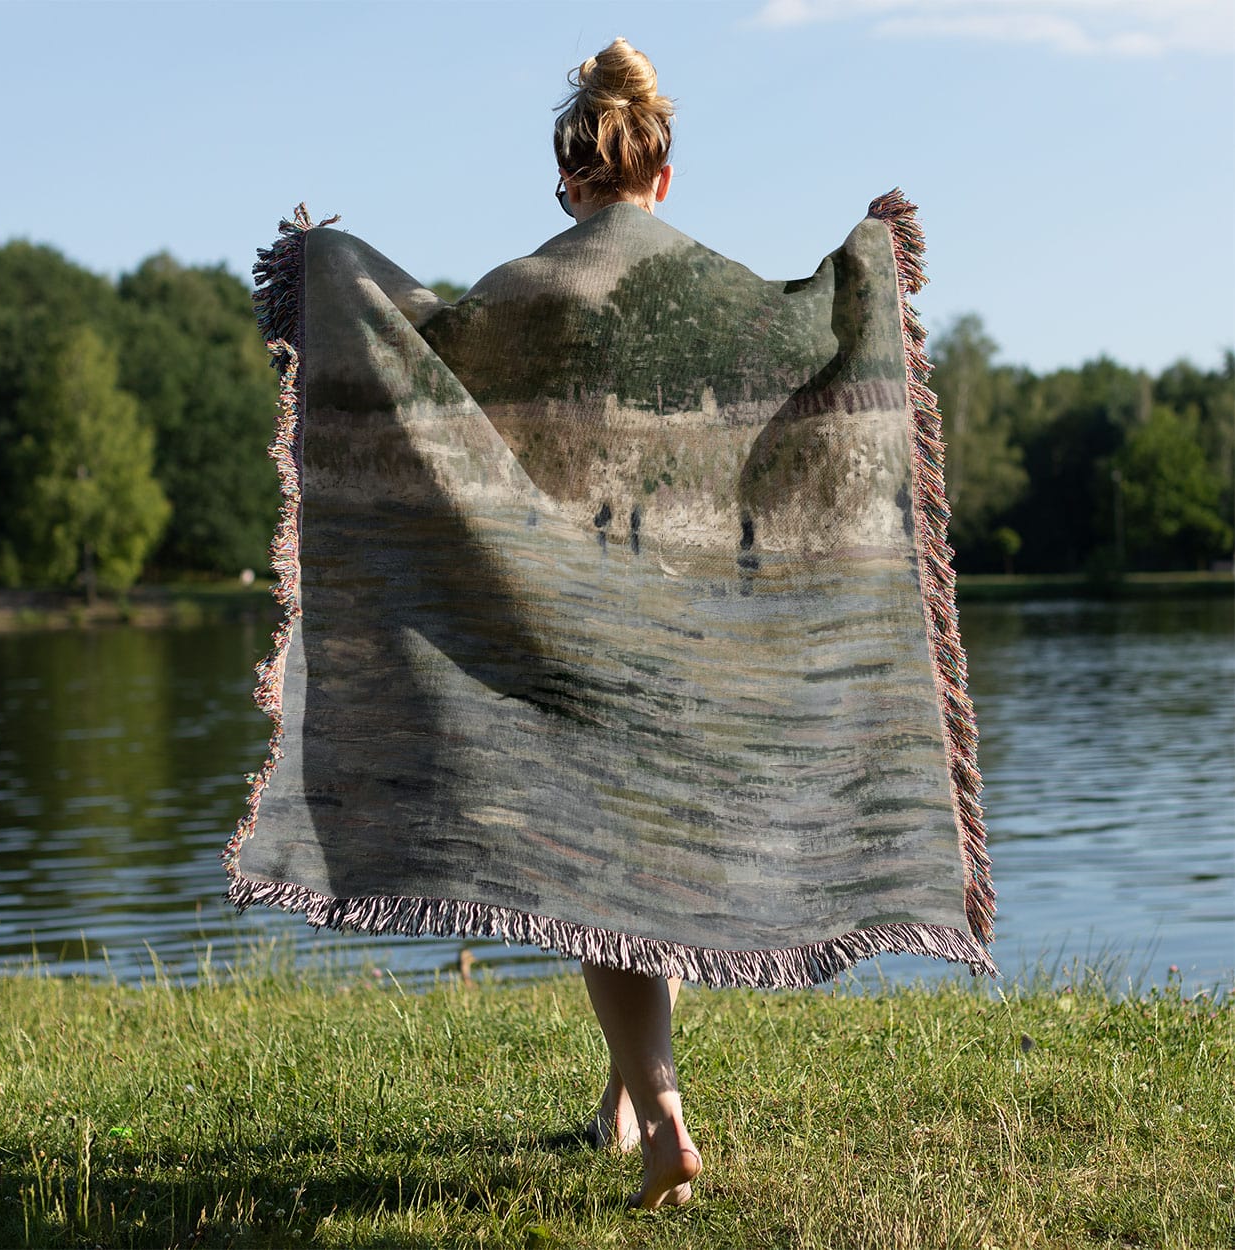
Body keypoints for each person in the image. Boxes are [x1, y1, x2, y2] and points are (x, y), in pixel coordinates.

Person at [547, 37, 702, 1212]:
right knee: (654, 865)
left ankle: (663, 1120)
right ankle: (616, 1102)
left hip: (573, 611)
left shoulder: (528, 289)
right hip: (694, 618)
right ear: (660, 174)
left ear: (568, 182)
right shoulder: (711, 288)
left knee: (600, 880)